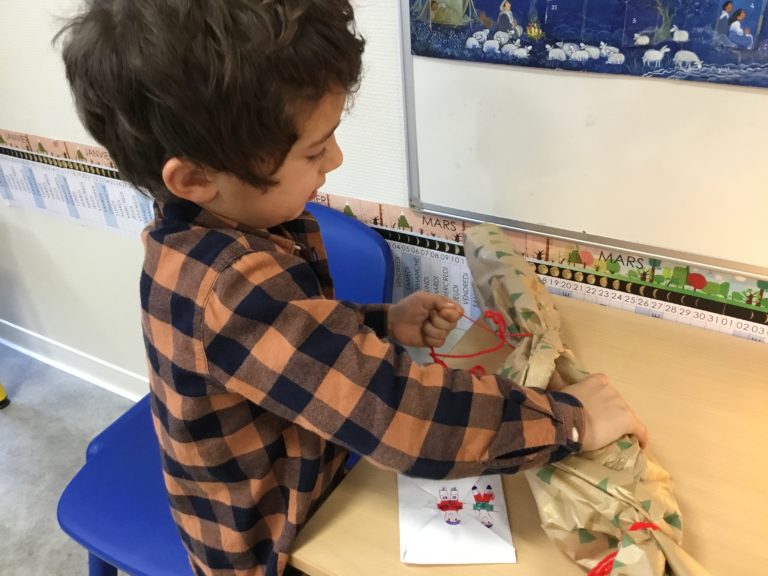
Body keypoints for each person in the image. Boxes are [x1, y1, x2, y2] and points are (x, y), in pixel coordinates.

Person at [56, 1, 647, 574]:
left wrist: (381, 322)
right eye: (315, 150)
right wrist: (571, 421)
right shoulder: (231, 290)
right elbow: (402, 417)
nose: (335, 159)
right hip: (263, 543)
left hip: (304, 461)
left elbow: (293, 343)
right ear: (194, 178)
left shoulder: (207, 230)